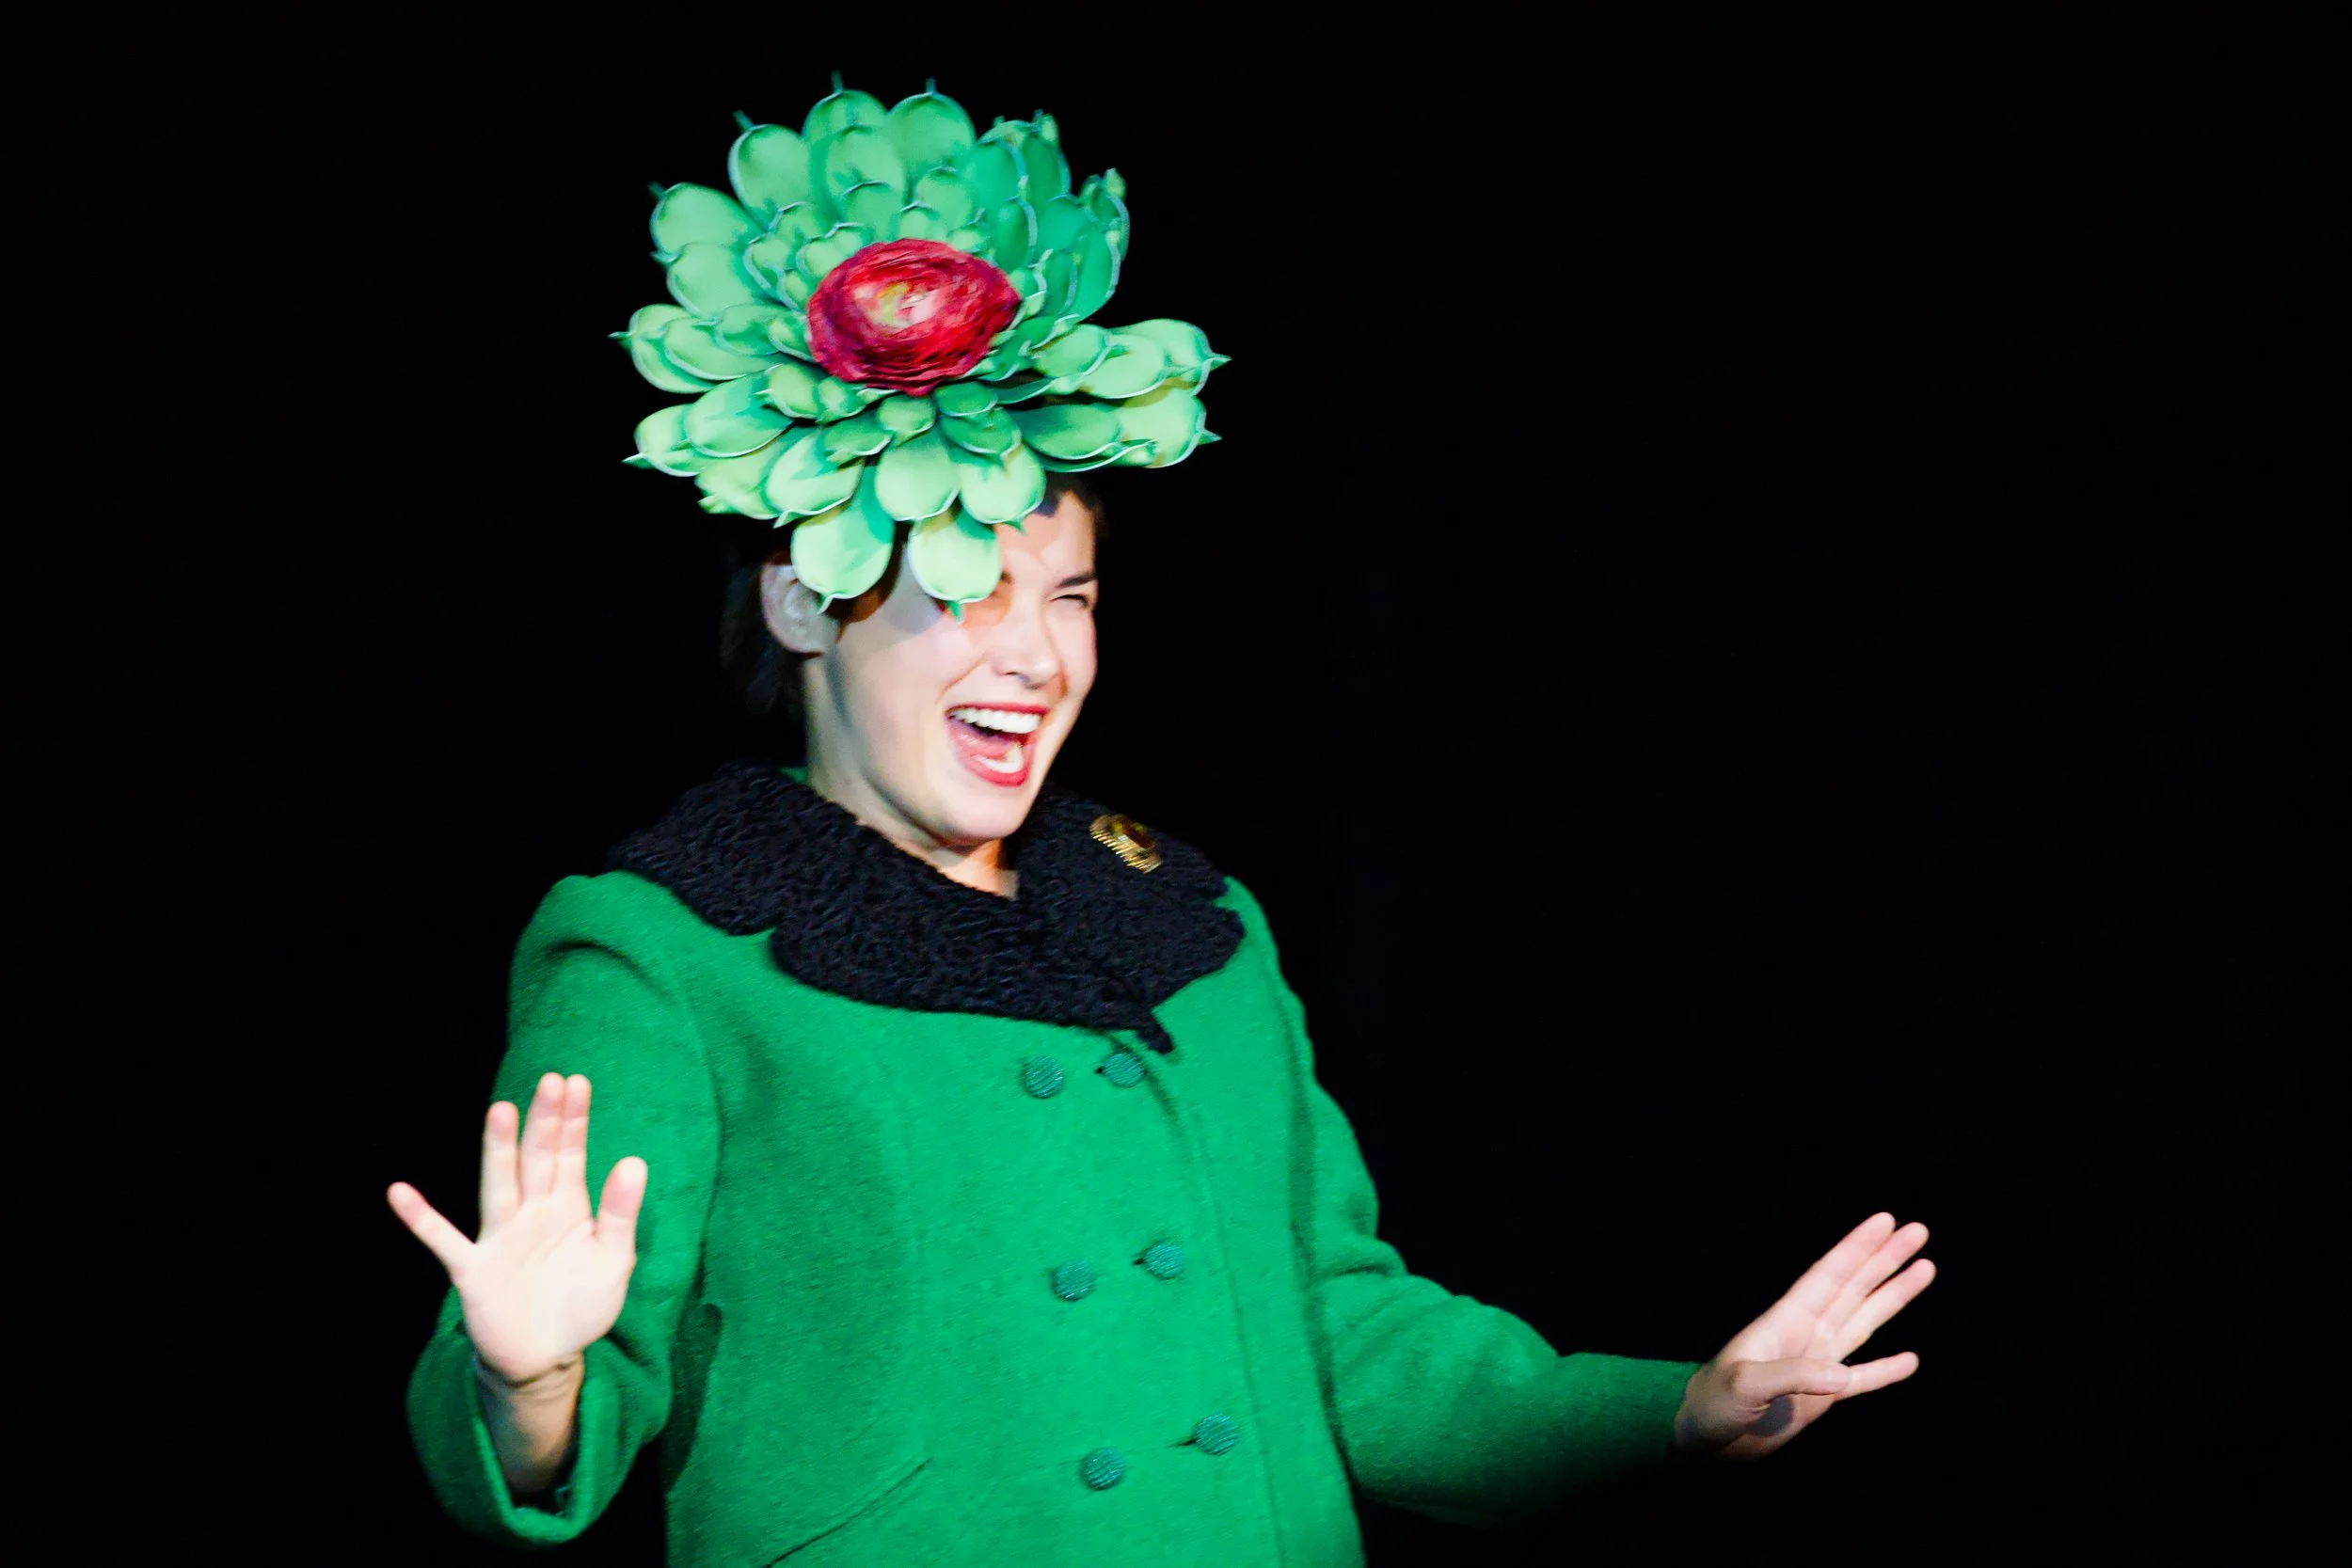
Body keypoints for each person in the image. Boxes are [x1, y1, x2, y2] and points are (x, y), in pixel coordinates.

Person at [387, 81, 1934, 1567]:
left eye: (1070, 596)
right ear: (804, 603)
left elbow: (1347, 1330)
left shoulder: (1193, 927)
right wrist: (529, 1377)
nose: (1036, 655)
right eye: (970, 593)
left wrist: (1677, 1408)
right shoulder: (662, 952)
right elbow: (549, 1436)